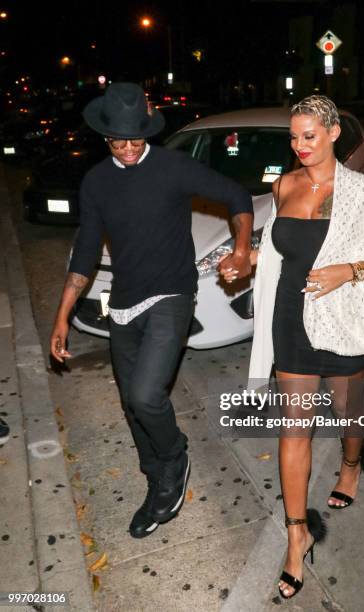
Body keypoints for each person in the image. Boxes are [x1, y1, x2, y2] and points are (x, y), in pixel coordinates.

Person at [221, 95, 364, 599]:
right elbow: (282, 249)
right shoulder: (283, 184)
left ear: (332, 133)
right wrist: (246, 259)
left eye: (309, 135)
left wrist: (346, 271)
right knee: (294, 431)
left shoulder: (361, 191)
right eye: (293, 137)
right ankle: (296, 535)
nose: (300, 145)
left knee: (349, 414)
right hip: (292, 322)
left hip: (345, 321)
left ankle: (351, 464)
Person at [50, 82, 253, 539]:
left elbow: (237, 198)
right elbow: (85, 251)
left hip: (172, 295)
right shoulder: (97, 181)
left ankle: (175, 457)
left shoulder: (173, 167)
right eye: (116, 141)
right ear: (105, 137)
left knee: (146, 395)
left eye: (134, 140)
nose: (125, 149)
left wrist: (241, 249)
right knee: (130, 403)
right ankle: (155, 476)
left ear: (147, 132)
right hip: (123, 304)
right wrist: (62, 315)